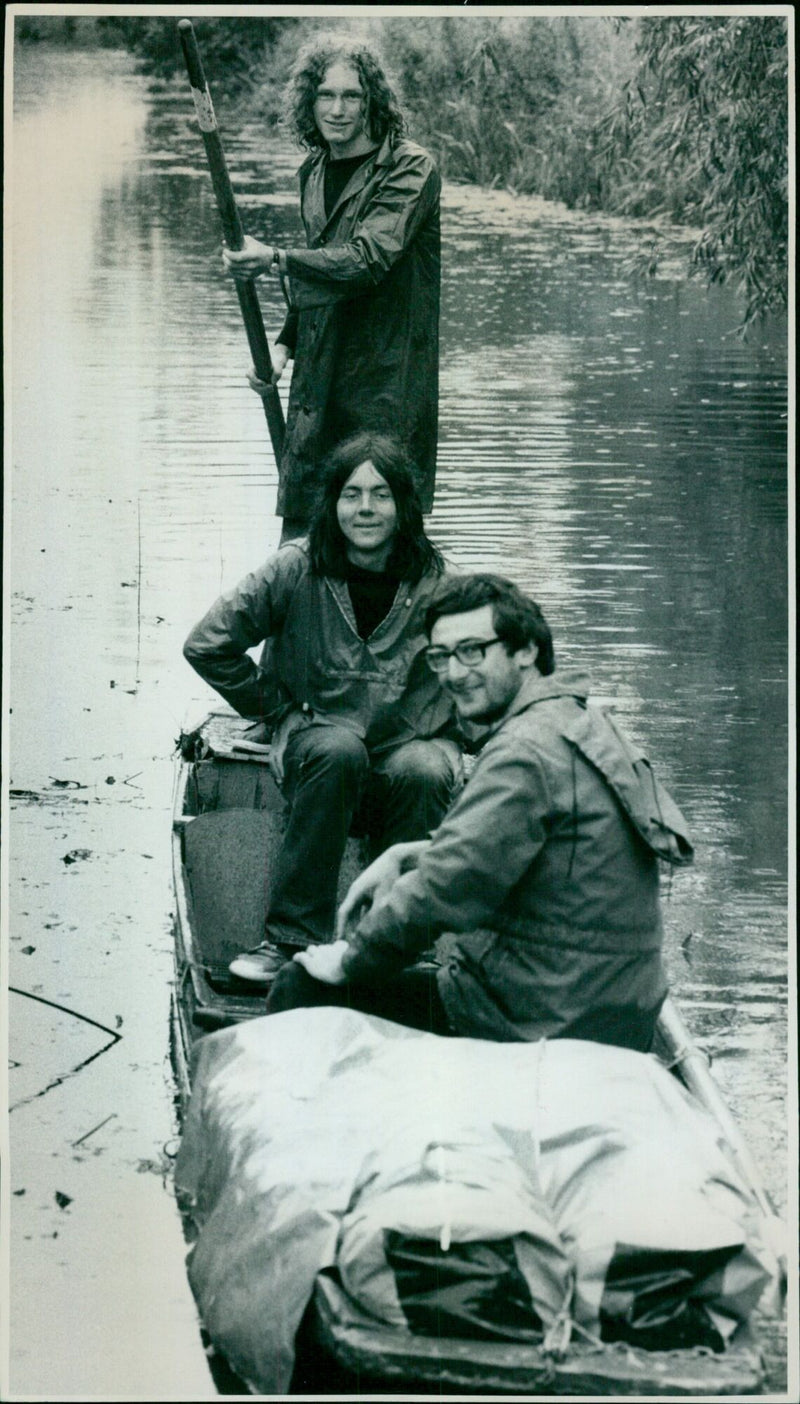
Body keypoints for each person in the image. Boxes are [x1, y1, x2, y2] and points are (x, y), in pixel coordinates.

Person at [267, 574, 695, 1053]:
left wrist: (351, 958)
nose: (452, 673)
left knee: (301, 986)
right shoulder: (580, 722)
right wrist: (407, 855)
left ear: (526, 651)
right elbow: (531, 843)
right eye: (441, 656)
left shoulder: (523, 750)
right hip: (616, 1015)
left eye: (472, 651)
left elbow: (445, 888)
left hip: (537, 1021)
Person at [183, 433, 463, 985]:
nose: (365, 509)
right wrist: (277, 710)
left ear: (405, 505)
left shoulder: (442, 583)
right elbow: (207, 644)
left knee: (426, 768)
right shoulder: (294, 567)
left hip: (403, 751)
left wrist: (457, 733)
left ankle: (400, 944)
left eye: (381, 495)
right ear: (332, 504)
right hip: (318, 746)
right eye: (351, 493)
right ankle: (290, 939)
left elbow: (486, 673)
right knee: (338, 750)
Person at [223, 35, 440, 538]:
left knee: (378, 550)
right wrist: (281, 348)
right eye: (326, 95)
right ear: (309, 101)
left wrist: (274, 258)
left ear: (372, 102)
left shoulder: (411, 168)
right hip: (317, 392)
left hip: (383, 394)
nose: (337, 110)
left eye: (351, 96)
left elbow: (365, 262)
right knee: (301, 549)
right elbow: (319, 274)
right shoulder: (314, 172)